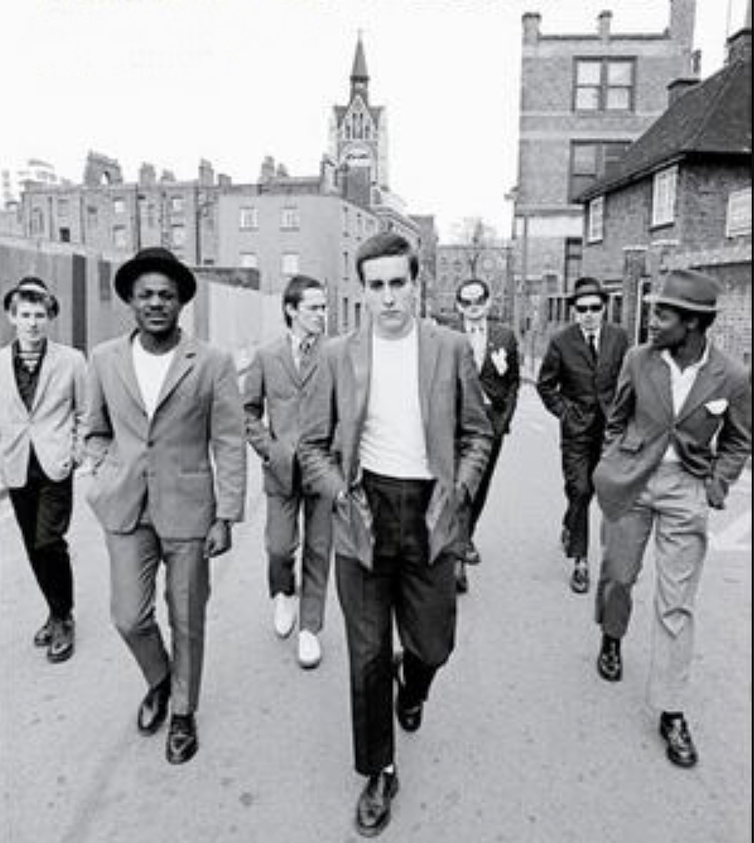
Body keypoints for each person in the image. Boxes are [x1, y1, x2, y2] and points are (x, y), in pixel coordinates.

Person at [299, 232, 492, 838]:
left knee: (434, 645)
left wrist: (458, 488)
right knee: (366, 655)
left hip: (429, 510)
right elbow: (310, 444)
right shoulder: (337, 355)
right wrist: (338, 491)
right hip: (362, 512)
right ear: (363, 290)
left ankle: (415, 687)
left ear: (417, 283)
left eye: (398, 284)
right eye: (376, 286)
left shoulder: (450, 347)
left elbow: (477, 433)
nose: (387, 298)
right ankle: (379, 769)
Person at [85, 247, 246, 765]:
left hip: (190, 510)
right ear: (131, 301)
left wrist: (226, 514)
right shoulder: (105, 358)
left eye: (166, 295)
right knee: (129, 617)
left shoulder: (212, 362)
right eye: (146, 295)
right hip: (127, 507)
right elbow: (94, 430)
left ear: (181, 303)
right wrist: (106, 468)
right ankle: (159, 680)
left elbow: (228, 440)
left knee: (187, 619)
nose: (156, 303)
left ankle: (182, 710)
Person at [592, 269, 751, 769]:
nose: (652, 319)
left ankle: (672, 709)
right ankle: (611, 636)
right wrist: (611, 464)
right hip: (633, 482)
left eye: (663, 313)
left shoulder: (732, 376)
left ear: (693, 323)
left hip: (687, 490)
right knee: (619, 576)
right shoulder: (639, 360)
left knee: (676, 603)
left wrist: (716, 483)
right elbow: (616, 418)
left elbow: (739, 440)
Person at [243, 274, 332, 669]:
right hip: (281, 469)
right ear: (291, 310)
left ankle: (310, 628)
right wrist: (270, 448)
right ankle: (283, 593)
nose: (321, 314)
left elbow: (350, 408)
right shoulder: (266, 356)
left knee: (318, 549)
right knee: (279, 548)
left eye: (323, 307)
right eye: (313, 307)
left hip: (324, 470)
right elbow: (247, 413)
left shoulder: (336, 353)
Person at [0, 277, 86, 663]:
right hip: (16, 466)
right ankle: (54, 612)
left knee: (49, 540)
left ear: (49, 317)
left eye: (39, 315)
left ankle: (63, 617)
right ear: (11, 317)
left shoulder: (71, 360)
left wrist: (77, 452)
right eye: (25, 315)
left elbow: (86, 412)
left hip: (55, 464)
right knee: (32, 544)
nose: (32, 323)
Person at [536, 276, 629, 594]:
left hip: (610, 431)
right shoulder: (562, 341)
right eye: (582, 308)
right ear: (574, 310)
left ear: (604, 309)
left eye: (595, 308)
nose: (588, 313)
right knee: (579, 488)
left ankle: (569, 523)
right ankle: (580, 562)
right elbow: (545, 385)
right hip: (576, 431)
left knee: (594, 492)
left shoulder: (619, 339)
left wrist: (625, 418)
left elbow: (628, 383)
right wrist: (565, 412)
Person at [452, 277, 520, 593]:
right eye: (466, 301)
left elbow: (514, 381)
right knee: (460, 486)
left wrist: (503, 420)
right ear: (458, 306)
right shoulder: (447, 336)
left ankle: (465, 536)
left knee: (480, 488)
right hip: (454, 427)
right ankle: (457, 557)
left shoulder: (505, 336)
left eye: (478, 299)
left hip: (491, 427)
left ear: (489, 302)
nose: (473, 306)